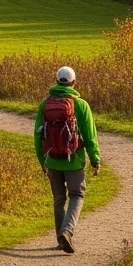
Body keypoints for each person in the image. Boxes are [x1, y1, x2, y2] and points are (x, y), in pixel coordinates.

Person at [34, 66, 100, 254]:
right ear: (74, 82)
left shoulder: (44, 104)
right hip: (74, 160)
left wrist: (42, 160)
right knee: (77, 195)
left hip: (52, 160)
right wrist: (95, 159)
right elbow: (90, 136)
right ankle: (67, 231)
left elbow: (37, 135)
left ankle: (60, 239)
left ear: (56, 81)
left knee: (59, 198)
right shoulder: (80, 105)